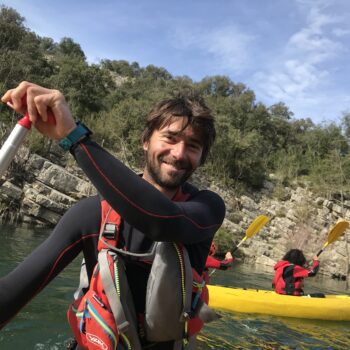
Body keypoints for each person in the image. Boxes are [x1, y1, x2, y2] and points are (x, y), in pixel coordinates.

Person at [0, 82, 226, 349]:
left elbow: (162, 221)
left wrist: (74, 137)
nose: (179, 153)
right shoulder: (90, 216)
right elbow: (14, 292)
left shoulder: (207, 208)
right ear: (145, 141)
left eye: (193, 146)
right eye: (170, 137)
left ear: (200, 157)